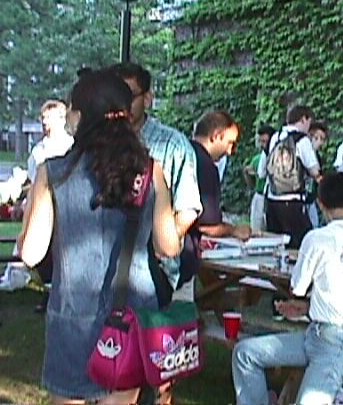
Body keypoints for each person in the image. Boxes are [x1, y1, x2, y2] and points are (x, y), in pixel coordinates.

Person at [18, 69, 180, 405]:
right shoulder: (151, 172)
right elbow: (168, 246)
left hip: (72, 315)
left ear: (80, 116)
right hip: (131, 314)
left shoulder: (53, 172)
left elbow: (31, 253)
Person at [231, 171, 343, 405]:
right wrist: (309, 307)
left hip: (336, 343)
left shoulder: (317, 238)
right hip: (322, 334)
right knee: (246, 353)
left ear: (320, 204)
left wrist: (303, 302)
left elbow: (297, 287)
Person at [109, 62, 202, 293]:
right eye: (115, 97)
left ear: (147, 99)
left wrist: (161, 247)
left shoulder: (173, 145)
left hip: (152, 270)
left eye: (129, 96)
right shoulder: (103, 143)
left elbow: (188, 208)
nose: (122, 105)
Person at [180, 110, 252, 294]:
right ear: (216, 136)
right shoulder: (205, 165)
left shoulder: (179, 153)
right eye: (229, 143)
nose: (230, 151)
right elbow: (208, 225)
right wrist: (234, 230)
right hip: (180, 254)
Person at [24, 99, 74, 312]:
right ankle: (49, 293)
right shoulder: (38, 151)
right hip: (43, 208)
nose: (44, 122)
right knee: (43, 255)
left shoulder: (71, 147)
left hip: (67, 208)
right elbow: (32, 182)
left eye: (48, 117)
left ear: (62, 118)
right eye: (42, 118)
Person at [259, 105, 320, 249]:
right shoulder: (302, 140)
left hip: (272, 199)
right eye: (309, 122)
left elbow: (263, 169)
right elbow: (314, 170)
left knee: (277, 245)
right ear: (304, 119)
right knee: (300, 244)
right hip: (293, 200)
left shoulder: (275, 137)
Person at [244, 124, 275, 231]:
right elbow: (251, 184)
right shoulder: (257, 159)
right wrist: (248, 174)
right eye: (261, 141)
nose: (262, 145)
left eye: (265, 142)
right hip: (260, 195)